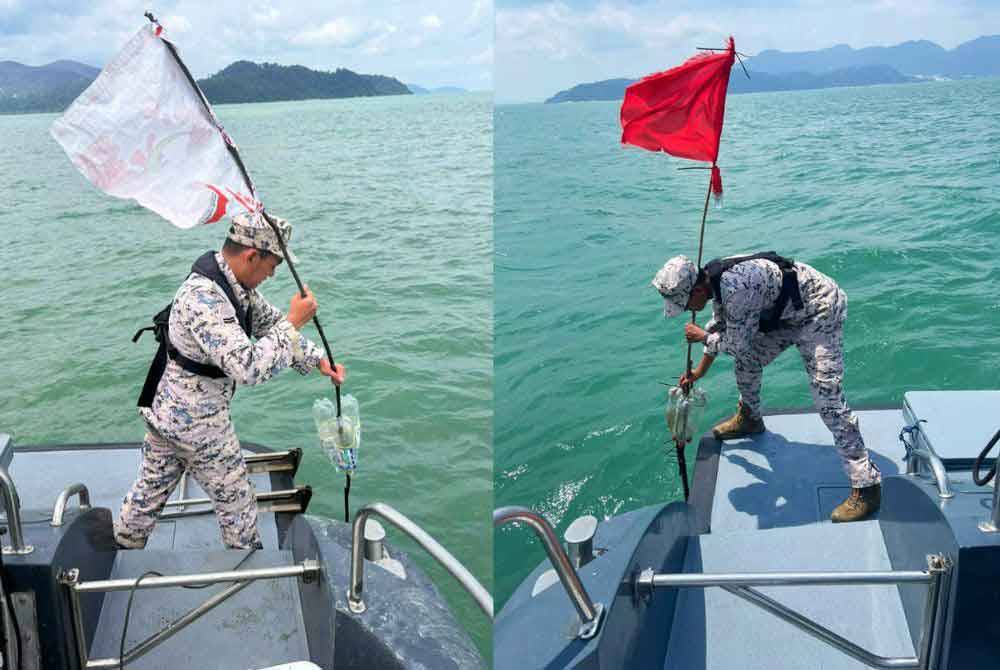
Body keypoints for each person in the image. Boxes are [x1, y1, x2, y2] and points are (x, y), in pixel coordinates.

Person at [115, 212, 345, 549]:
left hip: (167, 416)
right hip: (198, 424)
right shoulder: (203, 297)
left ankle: (121, 548)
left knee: (147, 495)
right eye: (273, 265)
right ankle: (246, 573)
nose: (272, 274)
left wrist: (318, 360)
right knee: (239, 503)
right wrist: (294, 322)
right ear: (253, 256)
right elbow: (246, 367)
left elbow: (269, 324)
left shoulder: (235, 286)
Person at [651, 252, 881, 523]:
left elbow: (736, 344)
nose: (687, 309)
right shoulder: (717, 283)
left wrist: (703, 336)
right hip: (785, 315)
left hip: (819, 310)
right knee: (747, 362)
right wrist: (698, 372)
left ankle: (867, 486)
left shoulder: (737, 287)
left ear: (699, 288)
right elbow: (724, 328)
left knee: (827, 398)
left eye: (686, 302)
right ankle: (750, 418)